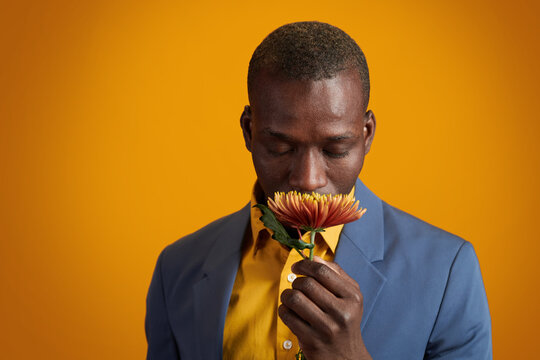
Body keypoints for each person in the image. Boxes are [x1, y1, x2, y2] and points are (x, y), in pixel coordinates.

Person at [145, 21, 492, 360]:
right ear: (249, 131)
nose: (308, 180)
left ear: (367, 134)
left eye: (334, 150)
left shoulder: (448, 271)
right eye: (281, 148)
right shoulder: (176, 269)